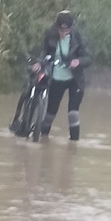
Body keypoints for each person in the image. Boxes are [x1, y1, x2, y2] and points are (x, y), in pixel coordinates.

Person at [37, 10, 88, 140]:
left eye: (66, 30)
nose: (64, 33)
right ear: (57, 27)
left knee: (73, 114)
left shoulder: (77, 36)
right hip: (56, 79)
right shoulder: (50, 35)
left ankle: (74, 144)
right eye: (61, 30)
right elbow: (44, 52)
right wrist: (39, 63)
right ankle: (42, 137)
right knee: (50, 114)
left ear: (70, 28)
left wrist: (79, 61)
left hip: (75, 79)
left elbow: (88, 57)